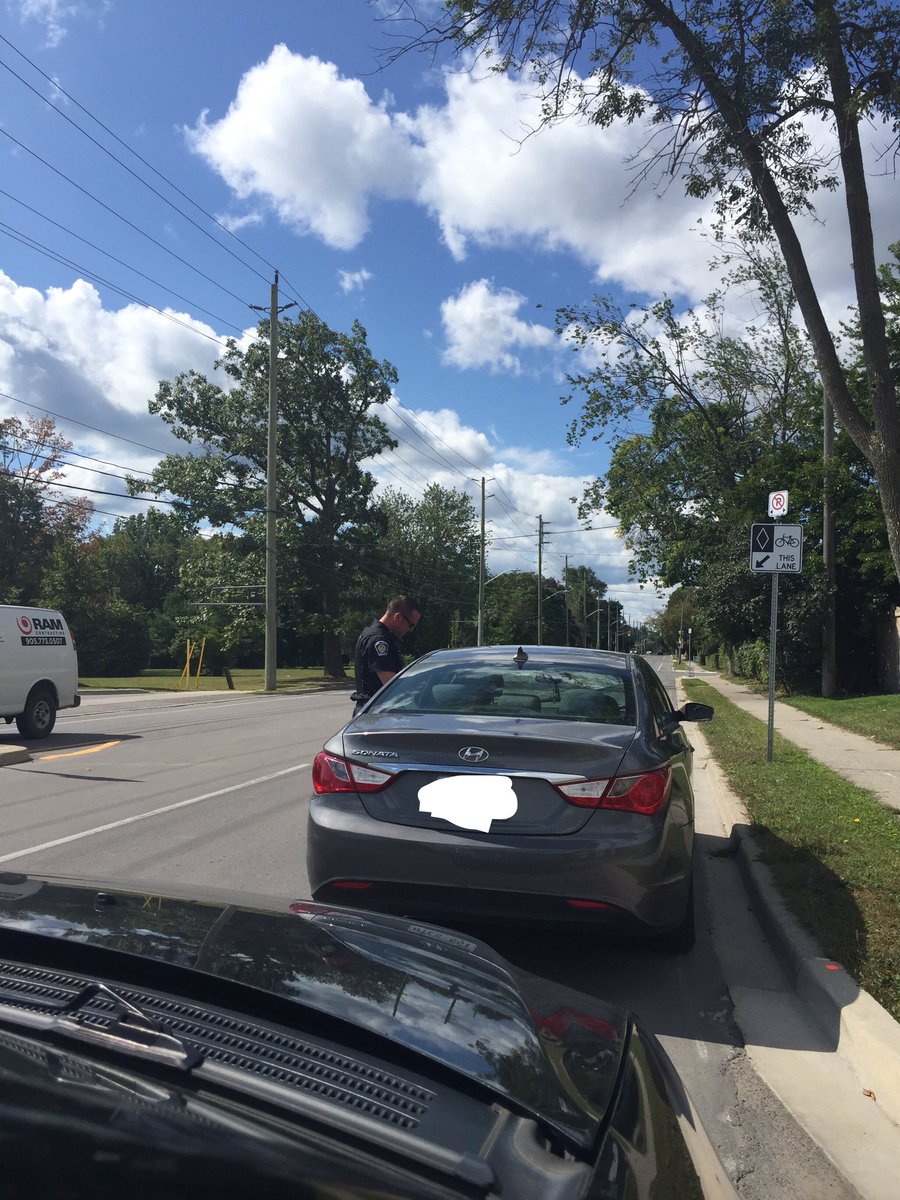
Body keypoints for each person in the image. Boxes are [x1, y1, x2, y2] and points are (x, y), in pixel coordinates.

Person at [351, 596, 422, 715]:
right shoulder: (378, 641)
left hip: (373, 710)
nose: (410, 630)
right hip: (376, 713)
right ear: (397, 617)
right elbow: (391, 684)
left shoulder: (373, 634)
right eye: (411, 625)